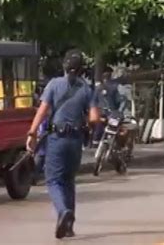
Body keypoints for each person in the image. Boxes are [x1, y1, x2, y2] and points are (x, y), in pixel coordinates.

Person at [26, 49, 100, 239]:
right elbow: (94, 118)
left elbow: (42, 111)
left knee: (53, 180)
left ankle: (63, 211)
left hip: (57, 139)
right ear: (82, 68)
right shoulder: (87, 89)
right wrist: (89, 125)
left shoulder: (53, 84)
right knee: (69, 181)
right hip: (75, 141)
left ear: (64, 66)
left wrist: (32, 133)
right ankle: (69, 226)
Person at [91, 66, 122, 147]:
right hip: (112, 114)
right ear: (110, 76)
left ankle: (96, 142)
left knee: (98, 129)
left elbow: (93, 101)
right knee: (115, 131)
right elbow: (118, 101)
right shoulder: (114, 87)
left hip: (100, 113)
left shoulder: (98, 88)